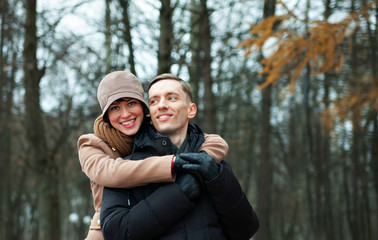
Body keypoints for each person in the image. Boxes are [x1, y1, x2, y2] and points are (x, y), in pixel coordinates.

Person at [100, 73, 259, 240]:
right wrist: (180, 192)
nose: (161, 105)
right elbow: (115, 233)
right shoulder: (127, 168)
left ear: (191, 110)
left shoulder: (214, 164)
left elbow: (246, 230)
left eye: (171, 98)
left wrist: (218, 180)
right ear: (150, 113)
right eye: (154, 101)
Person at [77, 71, 229, 240]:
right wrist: (172, 164)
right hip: (108, 231)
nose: (125, 114)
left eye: (131, 103)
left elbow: (216, 142)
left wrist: (199, 164)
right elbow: (111, 171)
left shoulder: (154, 130)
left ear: (143, 106)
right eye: (115, 108)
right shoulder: (91, 143)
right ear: (106, 116)